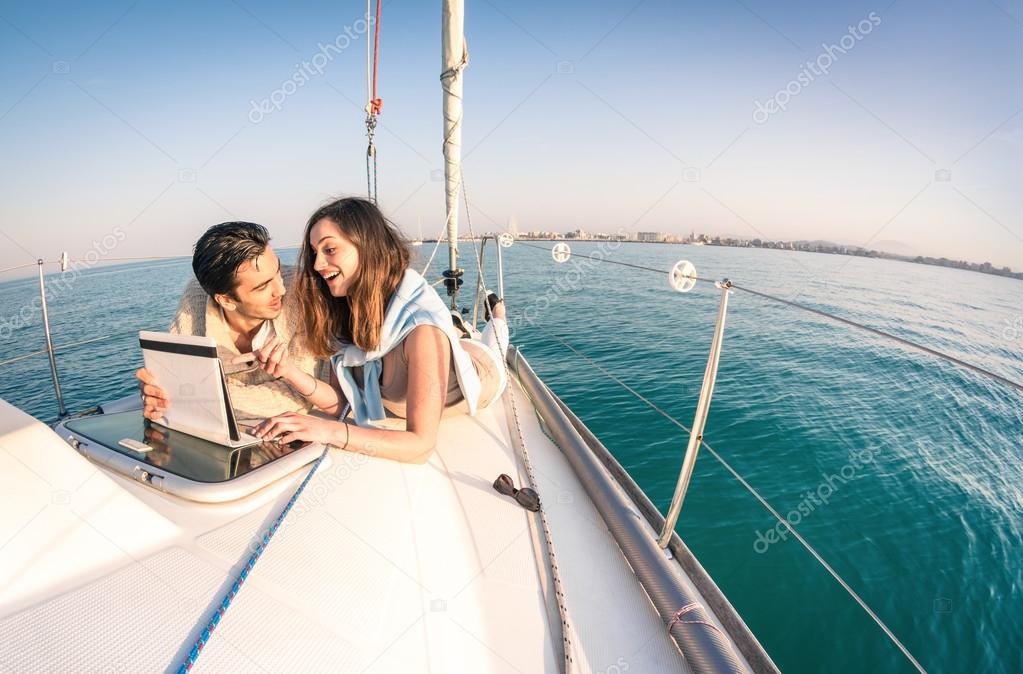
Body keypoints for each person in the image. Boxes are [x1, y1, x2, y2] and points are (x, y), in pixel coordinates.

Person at [250, 197, 509, 464]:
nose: (316, 265)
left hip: (483, 370)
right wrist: (289, 371)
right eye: (315, 252)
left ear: (367, 246)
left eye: (329, 249)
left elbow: (420, 446)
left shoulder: (423, 332)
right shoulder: (344, 312)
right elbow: (343, 402)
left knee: (495, 344)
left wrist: (328, 430)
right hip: (434, 351)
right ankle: (459, 331)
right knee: (454, 337)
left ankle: (498, 315)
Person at [135, 222, 329, 422]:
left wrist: (189, 397)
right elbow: (176, 378)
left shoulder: (304, 292)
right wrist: (158, 393)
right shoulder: (196, 297)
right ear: (226, 300)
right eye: (262, 287)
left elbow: (300, 395)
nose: (280, 289)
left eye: (277, 272)